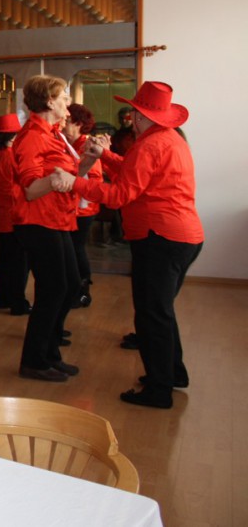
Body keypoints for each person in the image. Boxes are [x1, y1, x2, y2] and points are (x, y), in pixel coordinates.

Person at [52, 82, 203, 409]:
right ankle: (172, 374)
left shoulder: (150, 145)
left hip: (160, 237)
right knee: (161, 311)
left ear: (143, 116)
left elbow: (120, 195)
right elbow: (136, 174)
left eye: (135, 112)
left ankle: (159, 389)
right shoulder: (168, 139)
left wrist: (75, 182)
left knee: (152, 314)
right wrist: (105, 156)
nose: (131, 117)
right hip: (180, 236)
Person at [12, 76, 80, 382]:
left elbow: (68, 176)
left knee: (68, 287)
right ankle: (35, 360)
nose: (68, 104)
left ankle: (50, 354)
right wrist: (54, 180)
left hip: (56, 218)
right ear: (49, 101)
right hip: (37, 221)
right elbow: (30, 189)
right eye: (64, 97)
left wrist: (87, 162)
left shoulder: (53, 134)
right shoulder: (32, 137)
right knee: (54, 290)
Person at [0, 113, 31, 315]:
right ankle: (17, 302)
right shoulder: (11, 157)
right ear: (13, 137)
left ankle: (3, 298)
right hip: (16, 215)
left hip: (1, 214)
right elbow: (17, 188)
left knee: (5, 260)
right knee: (19, 263)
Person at [61, 103, 102, 309]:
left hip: (83, 209)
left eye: (68, 121)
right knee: (73, 250)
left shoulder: (87, 145)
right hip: (73, 207)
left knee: (76, 249)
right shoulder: (70, 144)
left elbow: (94, 178)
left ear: (78, 124)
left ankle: (82, 291)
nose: (63, 125)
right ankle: (75, 290)